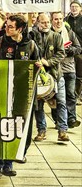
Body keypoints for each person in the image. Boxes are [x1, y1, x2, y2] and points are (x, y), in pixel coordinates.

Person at [0, 14, 39, 178]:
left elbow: (37, 67)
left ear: (20, 29)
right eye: (6, 26)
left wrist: (39, 66)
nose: (6, 28)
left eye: (10, 27)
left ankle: (8, 163)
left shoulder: (30, 45)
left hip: (21, 95)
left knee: (15, 127)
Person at [30, 13, 68, 142]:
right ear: (38, 23)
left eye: (47, 22)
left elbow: (61, 53)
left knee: (61, 102)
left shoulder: (57, 37)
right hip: (38, 76)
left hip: (56, 75)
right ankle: (41, 131)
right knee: (38, 105)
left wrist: (48, 62)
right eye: (43, 22)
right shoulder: (32, 36)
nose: (46, 24)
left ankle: (62, 130)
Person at [51, 11, 81, 128]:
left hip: (69, 68)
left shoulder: (69, 32)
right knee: (57, 97)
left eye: (60, 19)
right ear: (52, 20)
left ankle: (72, 118)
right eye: (56, 19)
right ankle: (58, 119)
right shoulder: (50, 34)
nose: (58, 22)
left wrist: (69, 50)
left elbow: (78, 48)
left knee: (71, 95)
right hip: (56, 70)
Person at [65, 0, 82, 103]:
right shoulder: (65, 20)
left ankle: (76, 95)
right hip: (69, 51)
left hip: (81, 51)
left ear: (80, 8)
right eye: (72, 6)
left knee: (80, 75)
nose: (74, 8)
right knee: (71, 74)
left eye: (76, 6)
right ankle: (71, 96)